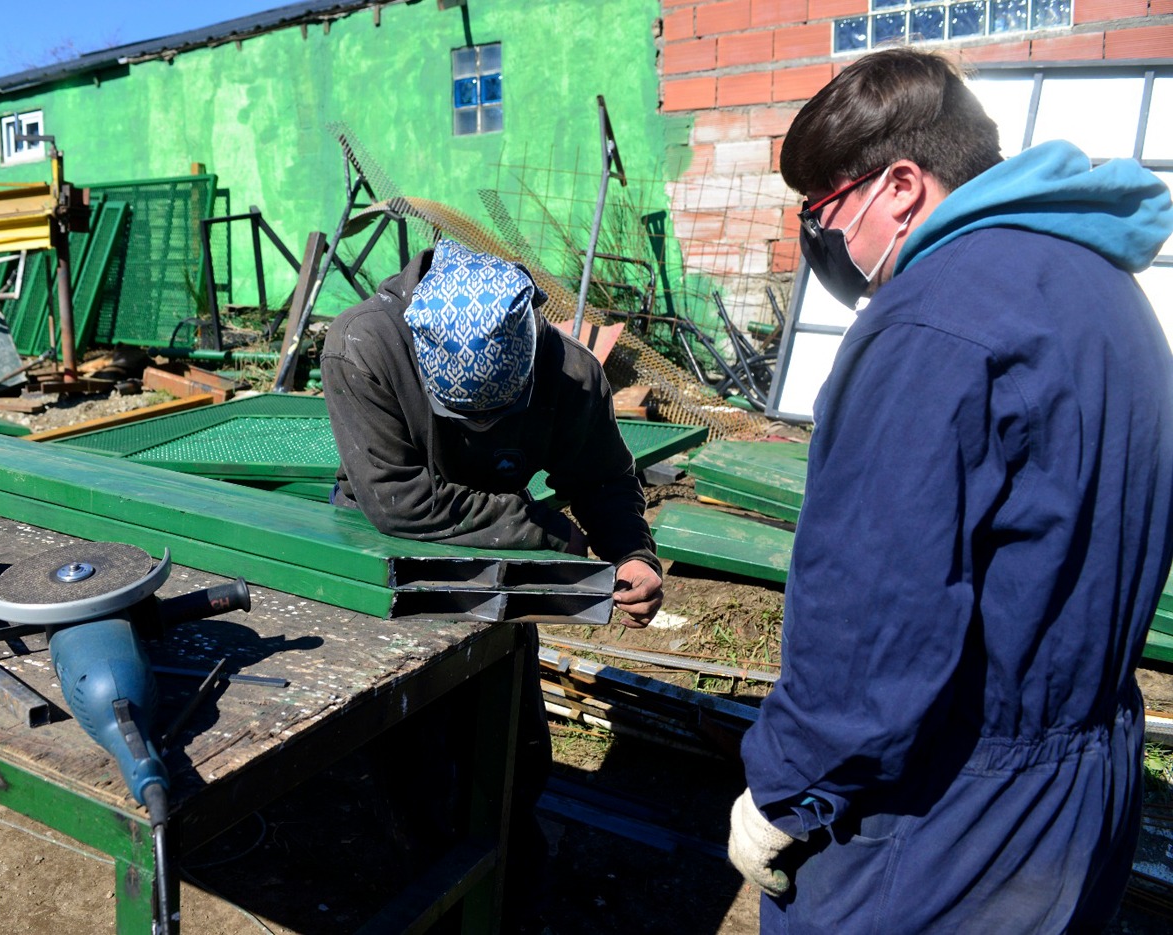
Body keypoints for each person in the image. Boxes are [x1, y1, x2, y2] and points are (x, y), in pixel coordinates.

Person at [727, 48, 1173, 932]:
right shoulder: (1107, 293)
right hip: (1088, 786)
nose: (819, 240)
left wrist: (786, 786)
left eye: (824, 210)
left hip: (948, 815)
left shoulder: (929, 325)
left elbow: (873, 617)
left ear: (899, 185)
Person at [322, 236, 663, 928]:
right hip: (396, 550)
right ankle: (424, 882)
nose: (478, 432)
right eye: (463, 418)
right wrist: (544, 535)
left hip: (504, 561)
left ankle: (506, 872)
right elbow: (400, 501)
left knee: (515, 743)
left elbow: (600, 477)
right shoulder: (364, 346)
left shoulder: (568, 372)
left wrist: (632, 552)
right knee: (409, 746)